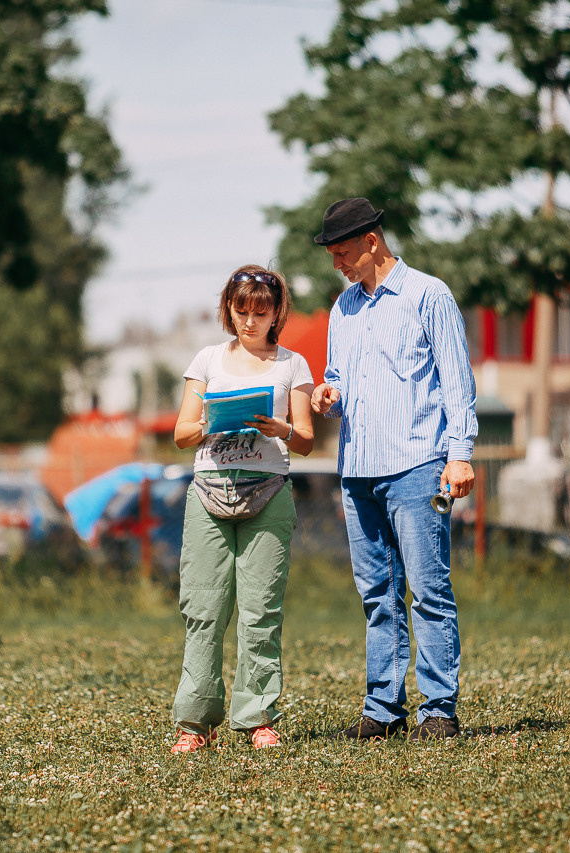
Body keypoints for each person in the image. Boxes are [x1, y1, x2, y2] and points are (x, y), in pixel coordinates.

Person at [311, 198, 478, 742]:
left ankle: (438, 708)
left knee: (428, 588)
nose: (338, 264)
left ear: (372, 242)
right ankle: (383, 708)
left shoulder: (428, 296)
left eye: (343, 253)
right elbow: (339, 377)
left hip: (417, 463)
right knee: (377, 593)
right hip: (358, 468)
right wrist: (327, 394)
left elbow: (456, 379)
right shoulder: (343, 309)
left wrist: (461, 453)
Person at [169, 264, 315, 753]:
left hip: (269, 490)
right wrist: (212, 420)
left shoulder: (292, 365)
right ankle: (196, 723)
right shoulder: (207, 360)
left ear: (278, 313)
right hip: (209, 490)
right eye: (242, 310)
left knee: (260, 609)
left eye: (262, 311)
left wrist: (282, 430)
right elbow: (180, 433)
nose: (251, 320)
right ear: (228, 311)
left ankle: (258, 719)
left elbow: (308, 438)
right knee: (204, 609)